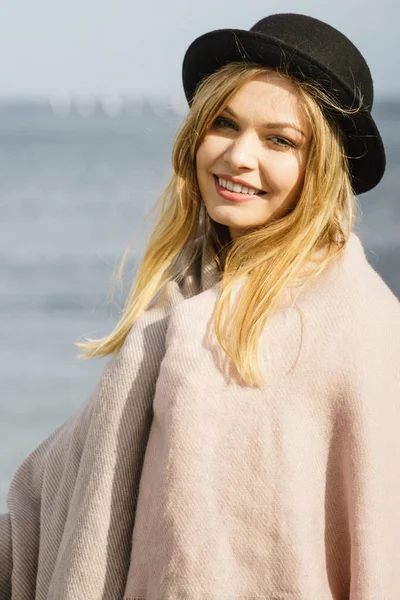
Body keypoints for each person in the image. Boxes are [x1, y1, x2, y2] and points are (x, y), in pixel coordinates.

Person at [1, 12, 399, 600]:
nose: (239, 155)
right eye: (225, 123)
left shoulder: (359, 326)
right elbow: (51, 498)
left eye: (279, 140)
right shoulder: (179, 303)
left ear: (320, 170)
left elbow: (378, 548)